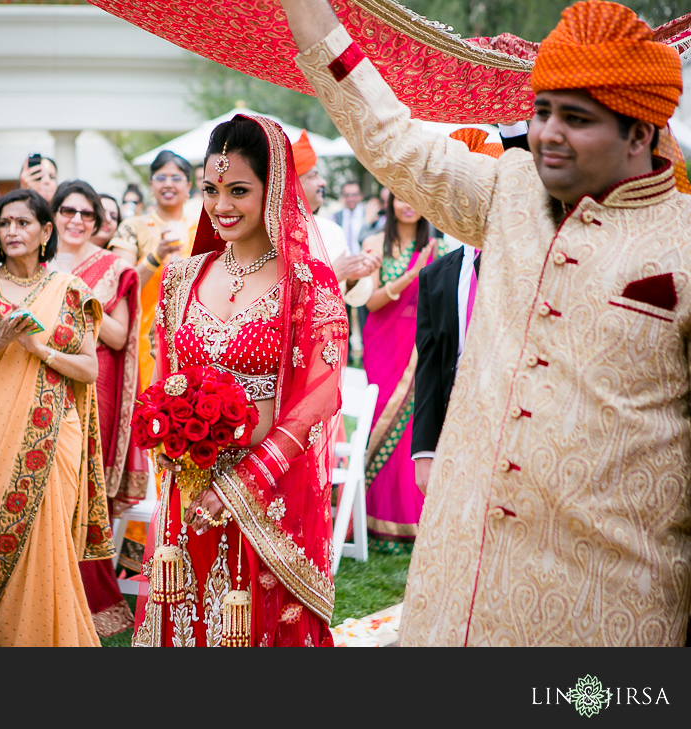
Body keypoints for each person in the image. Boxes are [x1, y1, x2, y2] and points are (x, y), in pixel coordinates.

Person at [284, 0, 691, 646]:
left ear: (641, 133)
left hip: (603, 617)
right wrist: (305, 10)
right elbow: (392, 138)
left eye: (576, 118)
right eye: (543, 112)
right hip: (456, 595)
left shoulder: (682, 246)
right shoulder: (512, 192)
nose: (548, 134)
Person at [134, 115, 347, 647]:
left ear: (272, 189)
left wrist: (246, 482)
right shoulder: (182, 277)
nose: (220, 205)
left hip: (268, 492)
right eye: (210, 189)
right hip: (190, 487)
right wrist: (162, 437)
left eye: (238, 190)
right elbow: (166, 376)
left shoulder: (307, 282)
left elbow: (318, 395)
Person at [0, 188, 113, 646]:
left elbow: (89, 368)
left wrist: (39, 350)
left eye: (23, 222)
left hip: (54, 431)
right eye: (4, 223)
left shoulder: (71, 289)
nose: (12, 231)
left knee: (49, 538)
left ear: (46, 231)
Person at [50, 180, 144, 637]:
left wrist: (74, 294)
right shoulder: (36, 262)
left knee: (83, 491)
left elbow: (120, 337)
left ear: (98, 222)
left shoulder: (113, 268)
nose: (76, 220)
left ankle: (90, 601)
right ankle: (43, 592)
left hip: (95, 386)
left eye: (86, 214)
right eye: (67, 210)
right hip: (43, 381)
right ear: (53, 214)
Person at [411, 129, 519, 494]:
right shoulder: (435, 276)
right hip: (456, 421)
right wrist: (424, 451)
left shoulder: (527, 263)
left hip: (519, 422)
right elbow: (429, 366)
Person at [108, 151, 198, 573]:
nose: (168, 183)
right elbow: (120, 286)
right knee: (151, 439)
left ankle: (190, 538)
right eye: (160, 176)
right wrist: (156, 257)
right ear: (150, 184)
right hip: (146, 351)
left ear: (189, 182)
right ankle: (137, 553)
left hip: (197, 350)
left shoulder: (207, 221)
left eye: (176, 176)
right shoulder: (134, 227)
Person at [359, 194, 439, 553]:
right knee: (380, 419)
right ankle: (373, 516)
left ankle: (414, 519)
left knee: (414, 427)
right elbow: (369, 301)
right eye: (400, 197)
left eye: (416, 196)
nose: (409, 204)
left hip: (420, 343)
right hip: (383, 344)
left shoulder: (438, 245)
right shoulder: (375, 243)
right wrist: (411, 274)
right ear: (389, 201)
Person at [293, 130, 378, 293]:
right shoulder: (269, 235)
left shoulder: (332, 231)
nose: (323, 182)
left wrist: (353, 278)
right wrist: (331, 275)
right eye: (313, 176)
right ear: (292, 183)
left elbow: (350, 295)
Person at [334, 179, 364, 254]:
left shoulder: (367, 214)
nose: (351, 199)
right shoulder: (337, 216)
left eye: (354, 195)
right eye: (347, 195)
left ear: (360, 196)